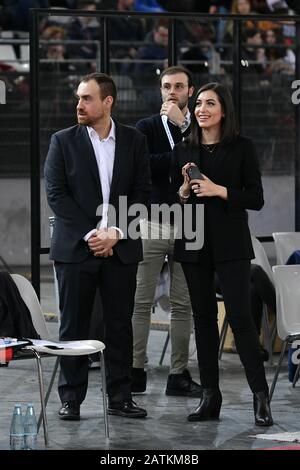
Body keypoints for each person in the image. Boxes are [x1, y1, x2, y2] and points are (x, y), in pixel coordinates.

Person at [44, 72, 151, 420]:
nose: (79, 104)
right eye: (78, 97)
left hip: (120, 248)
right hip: (77, 249)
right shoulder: (62, 141)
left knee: (120, 324)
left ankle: (120, 397)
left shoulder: (135, 141)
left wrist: (116, 232)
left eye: (87, 98)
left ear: (108, 102)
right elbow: (56, 195)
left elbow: (142, 194)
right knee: (73, 325)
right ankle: (71, 399)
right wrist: (93, 234)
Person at [171, 82, 273, 426]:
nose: (201, 109)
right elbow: (178, 203)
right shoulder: (185, 148)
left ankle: (261, 398)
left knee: (241, 320)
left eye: (209, 104)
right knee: (203, 322)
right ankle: (210, 397)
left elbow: (255, 198)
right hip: (193, 242)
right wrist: (184, 191)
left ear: (224, 111)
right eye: (198, 103)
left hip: (231, 245)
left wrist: (219, 190)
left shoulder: (243, 148)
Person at [131, 65, 202, 398]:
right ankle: (134, 370)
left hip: (190, 222)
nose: (171, 92)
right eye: (166, 86)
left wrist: (184, 126)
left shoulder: (201, 125)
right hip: (153, 219)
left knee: (182, 304)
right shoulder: (145, 127)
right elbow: (146, 167)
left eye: (178, 86)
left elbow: (204, 162)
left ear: (190, 91)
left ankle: (178, 374)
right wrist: (179, 154)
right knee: (140, 300)